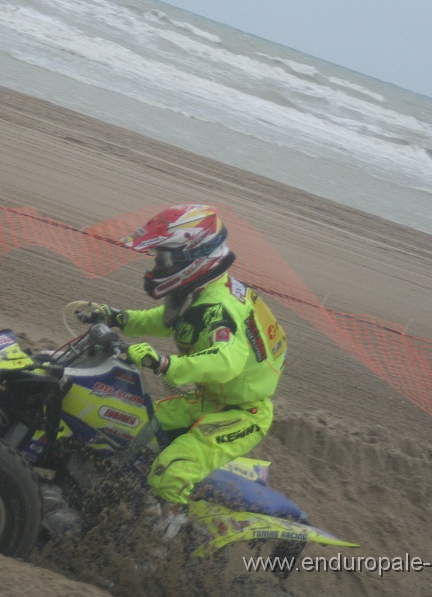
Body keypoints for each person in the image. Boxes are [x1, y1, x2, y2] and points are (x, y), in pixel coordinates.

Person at [90, 204, 288, 536]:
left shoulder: (218, 306)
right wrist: (117, 317)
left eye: (163, 259)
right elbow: (169, 321)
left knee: (171, 471)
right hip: (208, 402)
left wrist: (165, 363)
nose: (156, 265)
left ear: (193, 256)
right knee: (134, 423)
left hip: (243, 413)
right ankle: (132, 499)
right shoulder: (202, 291)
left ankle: (160, 548)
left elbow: (226, 362)